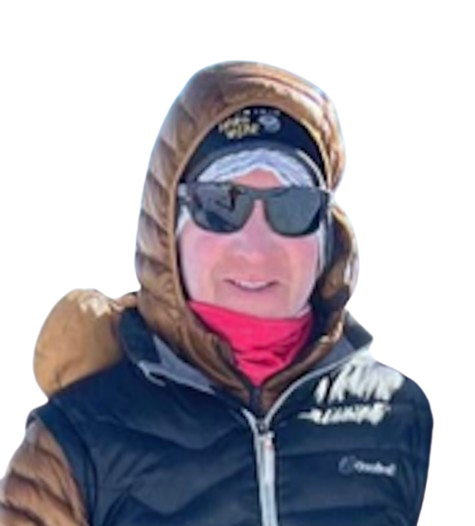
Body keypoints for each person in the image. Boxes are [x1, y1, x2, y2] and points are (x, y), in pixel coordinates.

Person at [1, 60, 434, 526]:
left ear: (327, 235)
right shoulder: (73, 446)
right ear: (167, 229)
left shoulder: (406, 420)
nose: (255, 245)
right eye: (222, 204)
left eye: (292, 206)